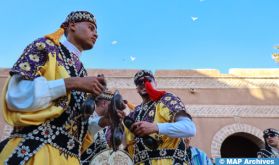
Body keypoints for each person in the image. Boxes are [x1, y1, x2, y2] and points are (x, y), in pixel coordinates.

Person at [0, 11, 106, 165]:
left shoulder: (82, 71)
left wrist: (102, 121)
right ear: (72, 26)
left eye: (96, 31)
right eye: (91, 28)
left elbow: (73, 127)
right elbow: (16, 96)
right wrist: (70, 83)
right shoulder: (45, 46)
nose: (96, 34)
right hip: (37, 151)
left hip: (69, 159)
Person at [124, 70, 196, 164]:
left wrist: (156, 127)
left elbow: (190, 129)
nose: (143, 83)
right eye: (139, 82)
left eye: (148, 80)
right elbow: (122, 145)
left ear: (155, 83)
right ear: (137, 89)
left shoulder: (166, 99)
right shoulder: (133, 113)